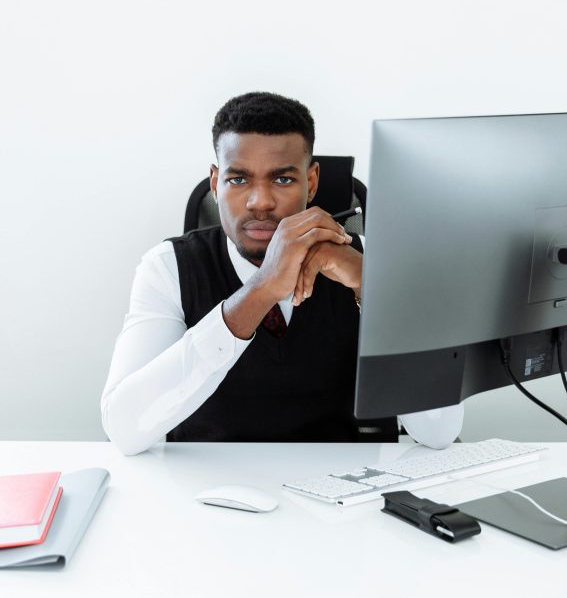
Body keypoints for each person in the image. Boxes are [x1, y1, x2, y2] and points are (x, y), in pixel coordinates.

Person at [101, 92, 463, 455]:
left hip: (341, 487)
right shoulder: (167, 267)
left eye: (283, 180)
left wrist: (374, 288)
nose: (260, 202)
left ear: (312, 181)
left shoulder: (371, 261)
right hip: (205, 491)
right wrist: (262, 289)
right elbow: (124, 430)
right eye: (239, 180)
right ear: (215, 184)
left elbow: (439, 431)